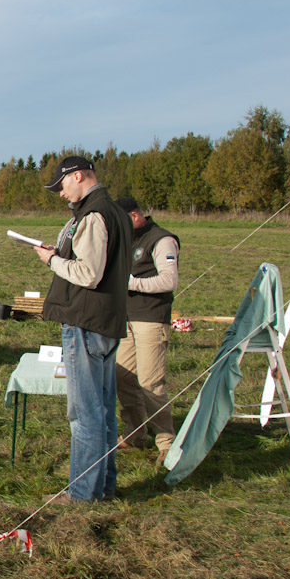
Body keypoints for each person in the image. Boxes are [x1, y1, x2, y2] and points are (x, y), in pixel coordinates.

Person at [33, 156, 132, 504]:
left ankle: (82, 495)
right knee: (103, 411)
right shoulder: (117, 211)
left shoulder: (94, 215)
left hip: (86, 322)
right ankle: (102, 488)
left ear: (78, 176)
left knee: (84, 414)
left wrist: (52, 260)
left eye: (61, 185)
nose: (60, 193)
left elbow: (89, 273)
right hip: (107, 321)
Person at [114, 196, 181, 464]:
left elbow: (169, 279)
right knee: (122, 377)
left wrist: (131, 284)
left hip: (151, 319)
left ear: (133, 216)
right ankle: (135, 434)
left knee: (150, 382)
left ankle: (166, 440)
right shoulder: (125, 240)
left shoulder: (162, 240)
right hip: (125, 318)